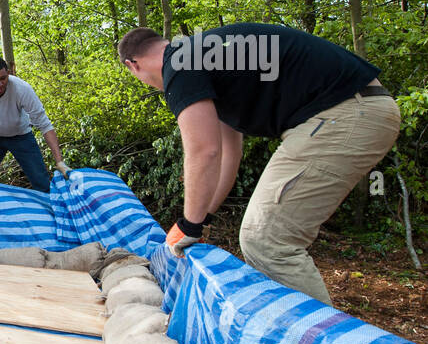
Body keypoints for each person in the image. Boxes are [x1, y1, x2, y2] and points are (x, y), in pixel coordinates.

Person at [117, 22, 401, 305]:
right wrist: (201, 219)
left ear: (133, 65)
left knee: (266, 240)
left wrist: (188, 224)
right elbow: (229, 153)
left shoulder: (179, 62)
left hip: (344, 114)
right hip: (363, 109)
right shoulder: (203, 57)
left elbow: (204, 151)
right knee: (265, 238)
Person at [0, 56, 69, 193]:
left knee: (40, 179)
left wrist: (59, 161)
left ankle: (49, 208)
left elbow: (44, 124)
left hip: (22, 136)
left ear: (8, 74)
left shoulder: (22, 88)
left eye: (3, 78)